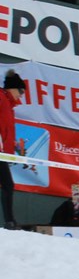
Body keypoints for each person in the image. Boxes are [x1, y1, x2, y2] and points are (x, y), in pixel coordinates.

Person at [1, 69, 26, 229]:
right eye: (21, 91)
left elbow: (6, 130)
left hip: (3, 153)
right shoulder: (1, 98)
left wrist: (13, 144)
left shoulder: (9, 105)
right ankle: (10, 221)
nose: (22, 95)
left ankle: (10, 221)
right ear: (12, 88)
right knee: (8, 184)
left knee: (8, 184)